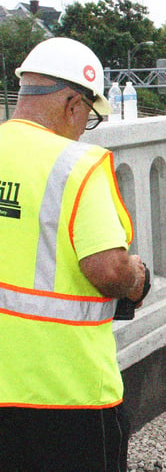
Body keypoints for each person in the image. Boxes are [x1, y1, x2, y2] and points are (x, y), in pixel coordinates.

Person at [0, 37, 148, 470]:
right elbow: (108, 270)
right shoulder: (77, 165)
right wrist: (137, 276)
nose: (84, 126)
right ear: (71, 103)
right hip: (66, 394)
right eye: (88, 115)